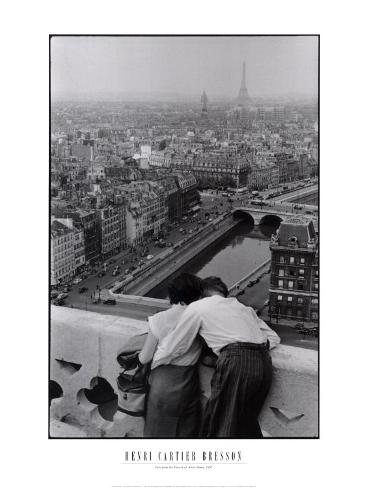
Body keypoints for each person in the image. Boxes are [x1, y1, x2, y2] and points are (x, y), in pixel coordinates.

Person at [153, 276, 280, 438]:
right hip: (263, 362)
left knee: (220, 424)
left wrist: (156, 362)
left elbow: (176, 345)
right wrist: (250, 348)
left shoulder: (197, 307)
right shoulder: (243, 308)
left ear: (202, 294)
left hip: (236, 361)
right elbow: (274, 337)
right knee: (247, 425)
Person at [137, 273, 204, 438]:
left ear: (171, 295)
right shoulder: (200, 319)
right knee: (186, 432)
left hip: (161, 386)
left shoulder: (158, 320)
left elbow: (144, 358)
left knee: (157, 433)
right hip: (188, 384)